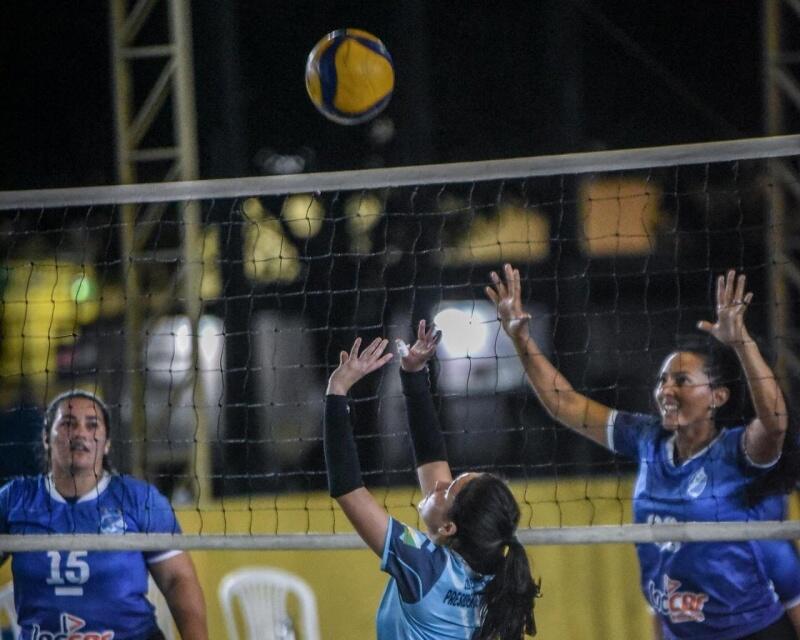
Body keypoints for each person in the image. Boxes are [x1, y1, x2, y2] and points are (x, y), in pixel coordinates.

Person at [486, 264, 792, 640]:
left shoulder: (735, 451)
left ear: (718, 397)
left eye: (682, 381)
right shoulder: (647, 438)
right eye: (663, 380)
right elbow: (564, 403)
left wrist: (742, 343)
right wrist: (520, 338)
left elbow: (775, 421)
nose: (666, 390)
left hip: (751, 633)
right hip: (681, 631)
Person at [323, 333, 539, 640]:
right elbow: (432, 457)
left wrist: (337, 391)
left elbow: (348, 489)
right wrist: (413, 376)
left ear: (450, 527)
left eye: (447, 490)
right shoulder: (493, 569)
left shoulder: (424, 565)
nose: (438, 485)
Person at [0, 389, 208, 640]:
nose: (80, 433)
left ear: (107, 443)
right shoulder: (15, 499)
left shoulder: (138, 500)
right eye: (68, 423)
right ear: (46, 437)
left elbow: (177, 579)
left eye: (92, 425)